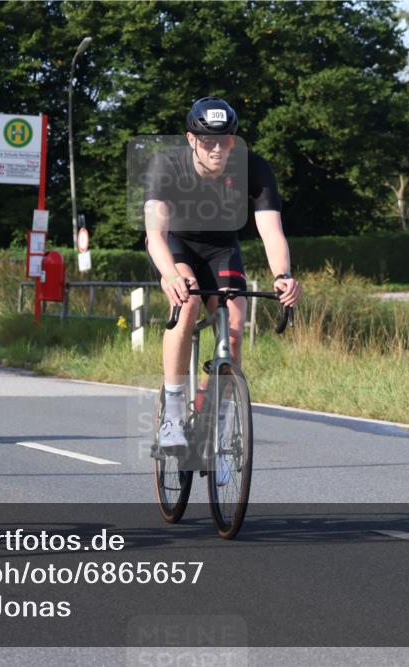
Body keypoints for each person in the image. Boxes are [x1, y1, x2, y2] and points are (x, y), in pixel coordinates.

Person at [145, 97, 302, 452]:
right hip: (177, 246)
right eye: (207, 141)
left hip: (220, 247)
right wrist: (170, 276)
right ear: (191, 139)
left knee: (233, 326)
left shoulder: (254, 169)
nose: (217, 148)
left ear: (234, 139)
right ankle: (171, 415)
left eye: (225, 140)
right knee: (187, 304)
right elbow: (154, 234)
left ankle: (216, 415)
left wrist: (283, 276)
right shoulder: (166, 165)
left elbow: (272, 232)